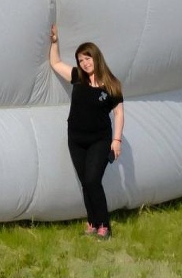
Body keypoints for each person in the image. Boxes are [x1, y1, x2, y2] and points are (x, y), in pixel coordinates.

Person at [49, 24, 124, 240]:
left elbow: (118, 113)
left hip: (100, 140)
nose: (84, 63)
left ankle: (104, 226)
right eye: (81, 60)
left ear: (96, 58)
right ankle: (92, 222)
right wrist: (55, 42)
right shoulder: (77, 77)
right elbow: (55, 63)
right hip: (76, 139)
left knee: (92, 180)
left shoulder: (111, 85)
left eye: (87, 58)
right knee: (85, 181)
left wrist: (116, 140)